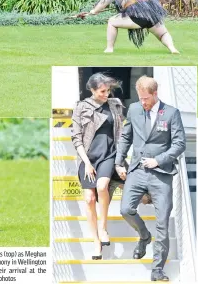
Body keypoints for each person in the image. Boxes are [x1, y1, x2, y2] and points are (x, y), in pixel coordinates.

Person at [115, 76, 185, 282]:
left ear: (155, 94)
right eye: (140, 98)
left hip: (161, 173)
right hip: (136, 170)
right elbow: (126, 136)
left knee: (162, 222)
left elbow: (179, 144)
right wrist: (119, 162)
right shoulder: (135, 109)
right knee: (125, 209)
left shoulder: (172, 113)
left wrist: (159, 160)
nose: (143, 102)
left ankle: (157, 270)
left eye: (146, 98)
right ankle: (144, 236)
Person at [71, 73, 124, 259]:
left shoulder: (114, 105)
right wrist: (86, 163)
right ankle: (96, 242)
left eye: (108, 90)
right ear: (92, 90)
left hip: (108, 154)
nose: (106, 94)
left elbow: (121, 133)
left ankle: (103, 228)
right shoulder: (81, 107)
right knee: (89, 199)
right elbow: (76, 138)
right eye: (102, 91)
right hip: (88, 158)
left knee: (102, 186)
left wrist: (120, 161)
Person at [82, 0, 179, 54]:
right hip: (152, 15)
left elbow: (104, 1)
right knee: (163, 33)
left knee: (112, 21)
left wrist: (94, 11)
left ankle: (109, 48)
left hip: (137, 15)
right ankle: (172, 48)